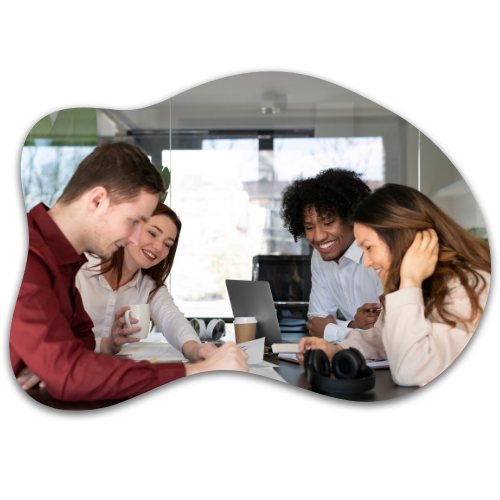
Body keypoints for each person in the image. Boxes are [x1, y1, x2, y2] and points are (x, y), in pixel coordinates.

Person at [13, 142, 248, 401]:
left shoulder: (64, 262)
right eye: (134, 221)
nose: (136, 239)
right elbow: (69, 372)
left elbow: (81, 343)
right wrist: (197, 371)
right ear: (97, 200)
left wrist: (51, 364)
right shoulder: (32, 258)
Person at [297, 183, 491, 387]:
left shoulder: (469, 287)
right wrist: (337, 350)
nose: (366, 262)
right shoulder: (421, 282)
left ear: (400, 238)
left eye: (369, 248)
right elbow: (382, 336)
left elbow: (410, 371)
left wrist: (409, 282)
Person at [75, 201, 216, 362]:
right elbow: (58, 340)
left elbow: (172, 319)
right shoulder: (79, 269)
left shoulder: (148, 286)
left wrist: (196, 351)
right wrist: (105, 345)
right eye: (153, 233)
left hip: (110, 372)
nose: (158, 247)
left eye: (167, 244)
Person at [280, 168, 384, 342]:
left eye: (328, 223)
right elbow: (315, 322)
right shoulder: (320, 255)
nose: (318, 237)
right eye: (310, 227)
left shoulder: (380, 252)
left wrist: (331, 330)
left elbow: (387, 333)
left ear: (351, 218)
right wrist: (353, 326)